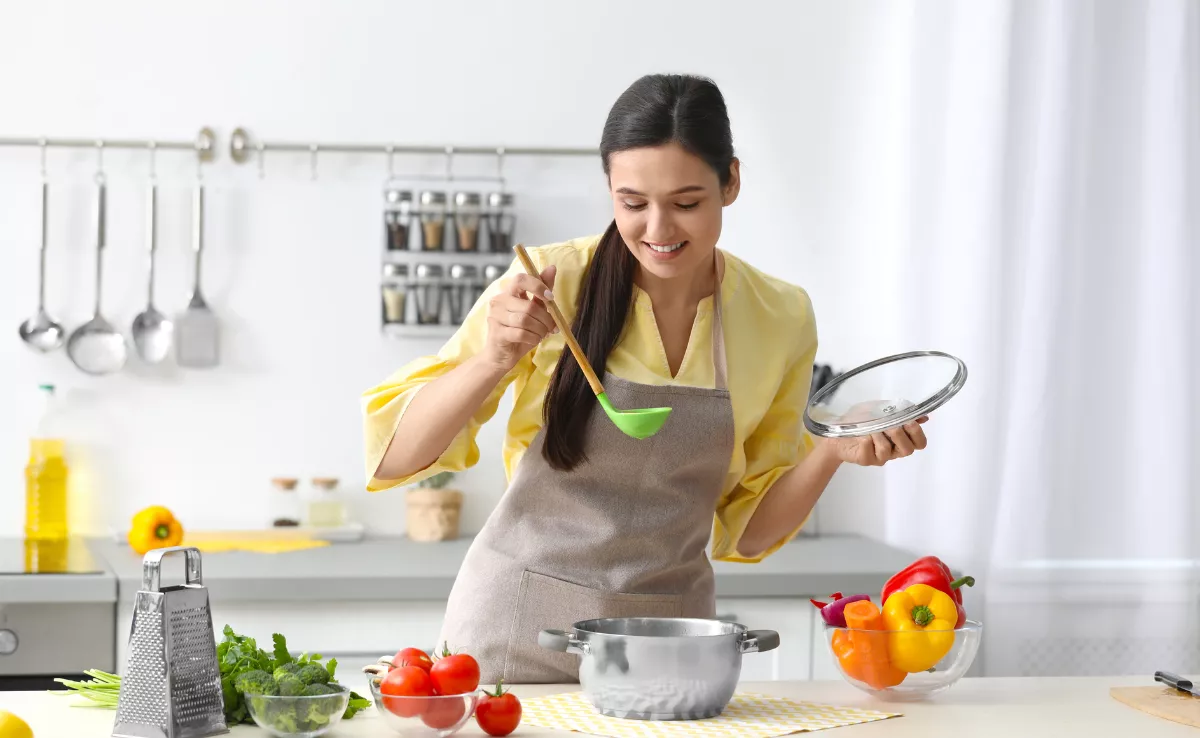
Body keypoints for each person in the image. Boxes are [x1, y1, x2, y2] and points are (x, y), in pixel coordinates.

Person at [360, 73, 929, 684]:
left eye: (686, 202)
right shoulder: (552, 284)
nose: (658, 229)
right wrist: (492, 358)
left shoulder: (780, 315)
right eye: (633, 203)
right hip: (515, 627)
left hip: (669, 644)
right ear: (609, 189)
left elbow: (748, 532)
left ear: (730, 182)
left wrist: (832, 451)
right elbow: (394, 458)